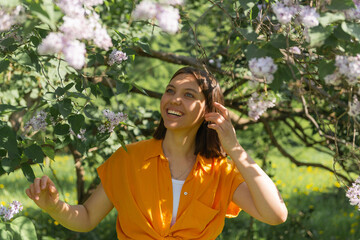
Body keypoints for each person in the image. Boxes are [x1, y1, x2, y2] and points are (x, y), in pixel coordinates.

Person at [26, 67, 288, 239]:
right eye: (170, 90)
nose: (174, 99)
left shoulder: (221, 172)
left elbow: (275, 214)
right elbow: (87, 218)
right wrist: (55, 207)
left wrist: (234, 148)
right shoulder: (128, 159)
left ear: (209, 111)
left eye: (188, 95)